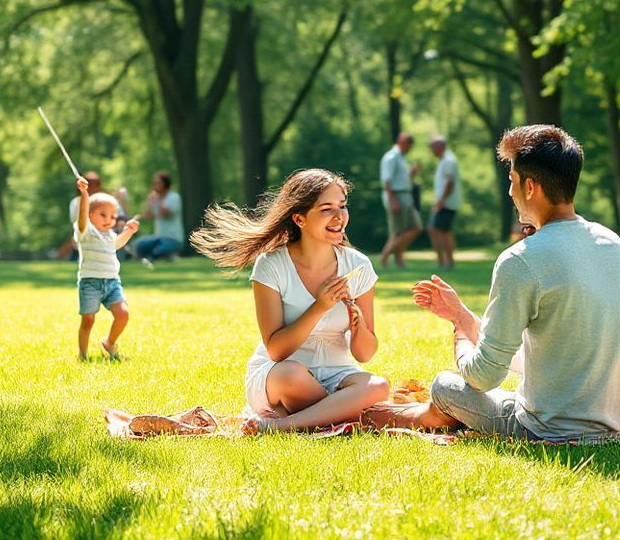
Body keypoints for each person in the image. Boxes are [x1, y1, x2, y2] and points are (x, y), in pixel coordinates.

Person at [364, 125, 620, 441]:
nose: (510, 193)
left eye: (512, 182)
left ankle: (399, 416)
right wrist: (461, 315)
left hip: (548, 429)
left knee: (444, 384)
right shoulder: (611, 243)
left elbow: (483, 377)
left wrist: (460, 338)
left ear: (531, 187)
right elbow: (549, 352)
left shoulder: (521, 258)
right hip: (617, 419)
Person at [192, 168, 390, 434]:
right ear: (299, 218)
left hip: (337, 374)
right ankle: (336, 412)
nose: (339, 217)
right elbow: (277, 350)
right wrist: (320, 306)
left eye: (342, 206)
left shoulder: (358, 266)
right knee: (291, 375)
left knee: (379, 387)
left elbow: (365, 354)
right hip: (281, 374)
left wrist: (359, 325)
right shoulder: (271, 265)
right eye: (326, 209)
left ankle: (281, 424)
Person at [74, 177, 140, 361]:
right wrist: (85, 194)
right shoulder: (85, 231)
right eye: (103, 215)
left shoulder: (109, 235)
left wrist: (129, 231)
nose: (109, 220)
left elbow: (116, 244)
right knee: (88, 320)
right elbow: (82, 215)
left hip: (112, 282)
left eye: (112, 216)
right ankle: (83, 355)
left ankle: (109, 342)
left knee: (123, 314)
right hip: (90, 283)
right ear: (90, 215)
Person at [378, 132, 422, 269]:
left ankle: (397, 258)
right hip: (396, 196)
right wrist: (393, 201)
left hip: (406, 196)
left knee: (416, 227)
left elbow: (400, 179)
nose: (410, 148)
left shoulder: (402, 158)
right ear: (403, 142)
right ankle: (385, 257)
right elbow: (387, 181)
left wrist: (411, 174)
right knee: (397, 232)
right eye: (409, 144)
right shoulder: (391, 157)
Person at [134, 171, 184, 267]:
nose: (155, 186)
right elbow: (148, 216)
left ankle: (169, 255)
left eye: (158, 183)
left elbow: (165, 214)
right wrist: (150, 201)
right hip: (159, 237)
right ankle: (165, 256)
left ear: (165, 184)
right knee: (140, 245)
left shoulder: (174, 197)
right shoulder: (156, 198)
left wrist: (160, 199)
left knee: (157, 252)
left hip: (173, 239)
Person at [428, 136, 462, 269]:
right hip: (446, 202)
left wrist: (441, 201)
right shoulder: (445, 160)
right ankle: (446, 261)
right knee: (442, 231)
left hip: (447, 203)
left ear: (440, 147)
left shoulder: (448, 160)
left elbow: (449, 183)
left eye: (433, 148)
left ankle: (445, 261)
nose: (432, 151)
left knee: (437, 230)